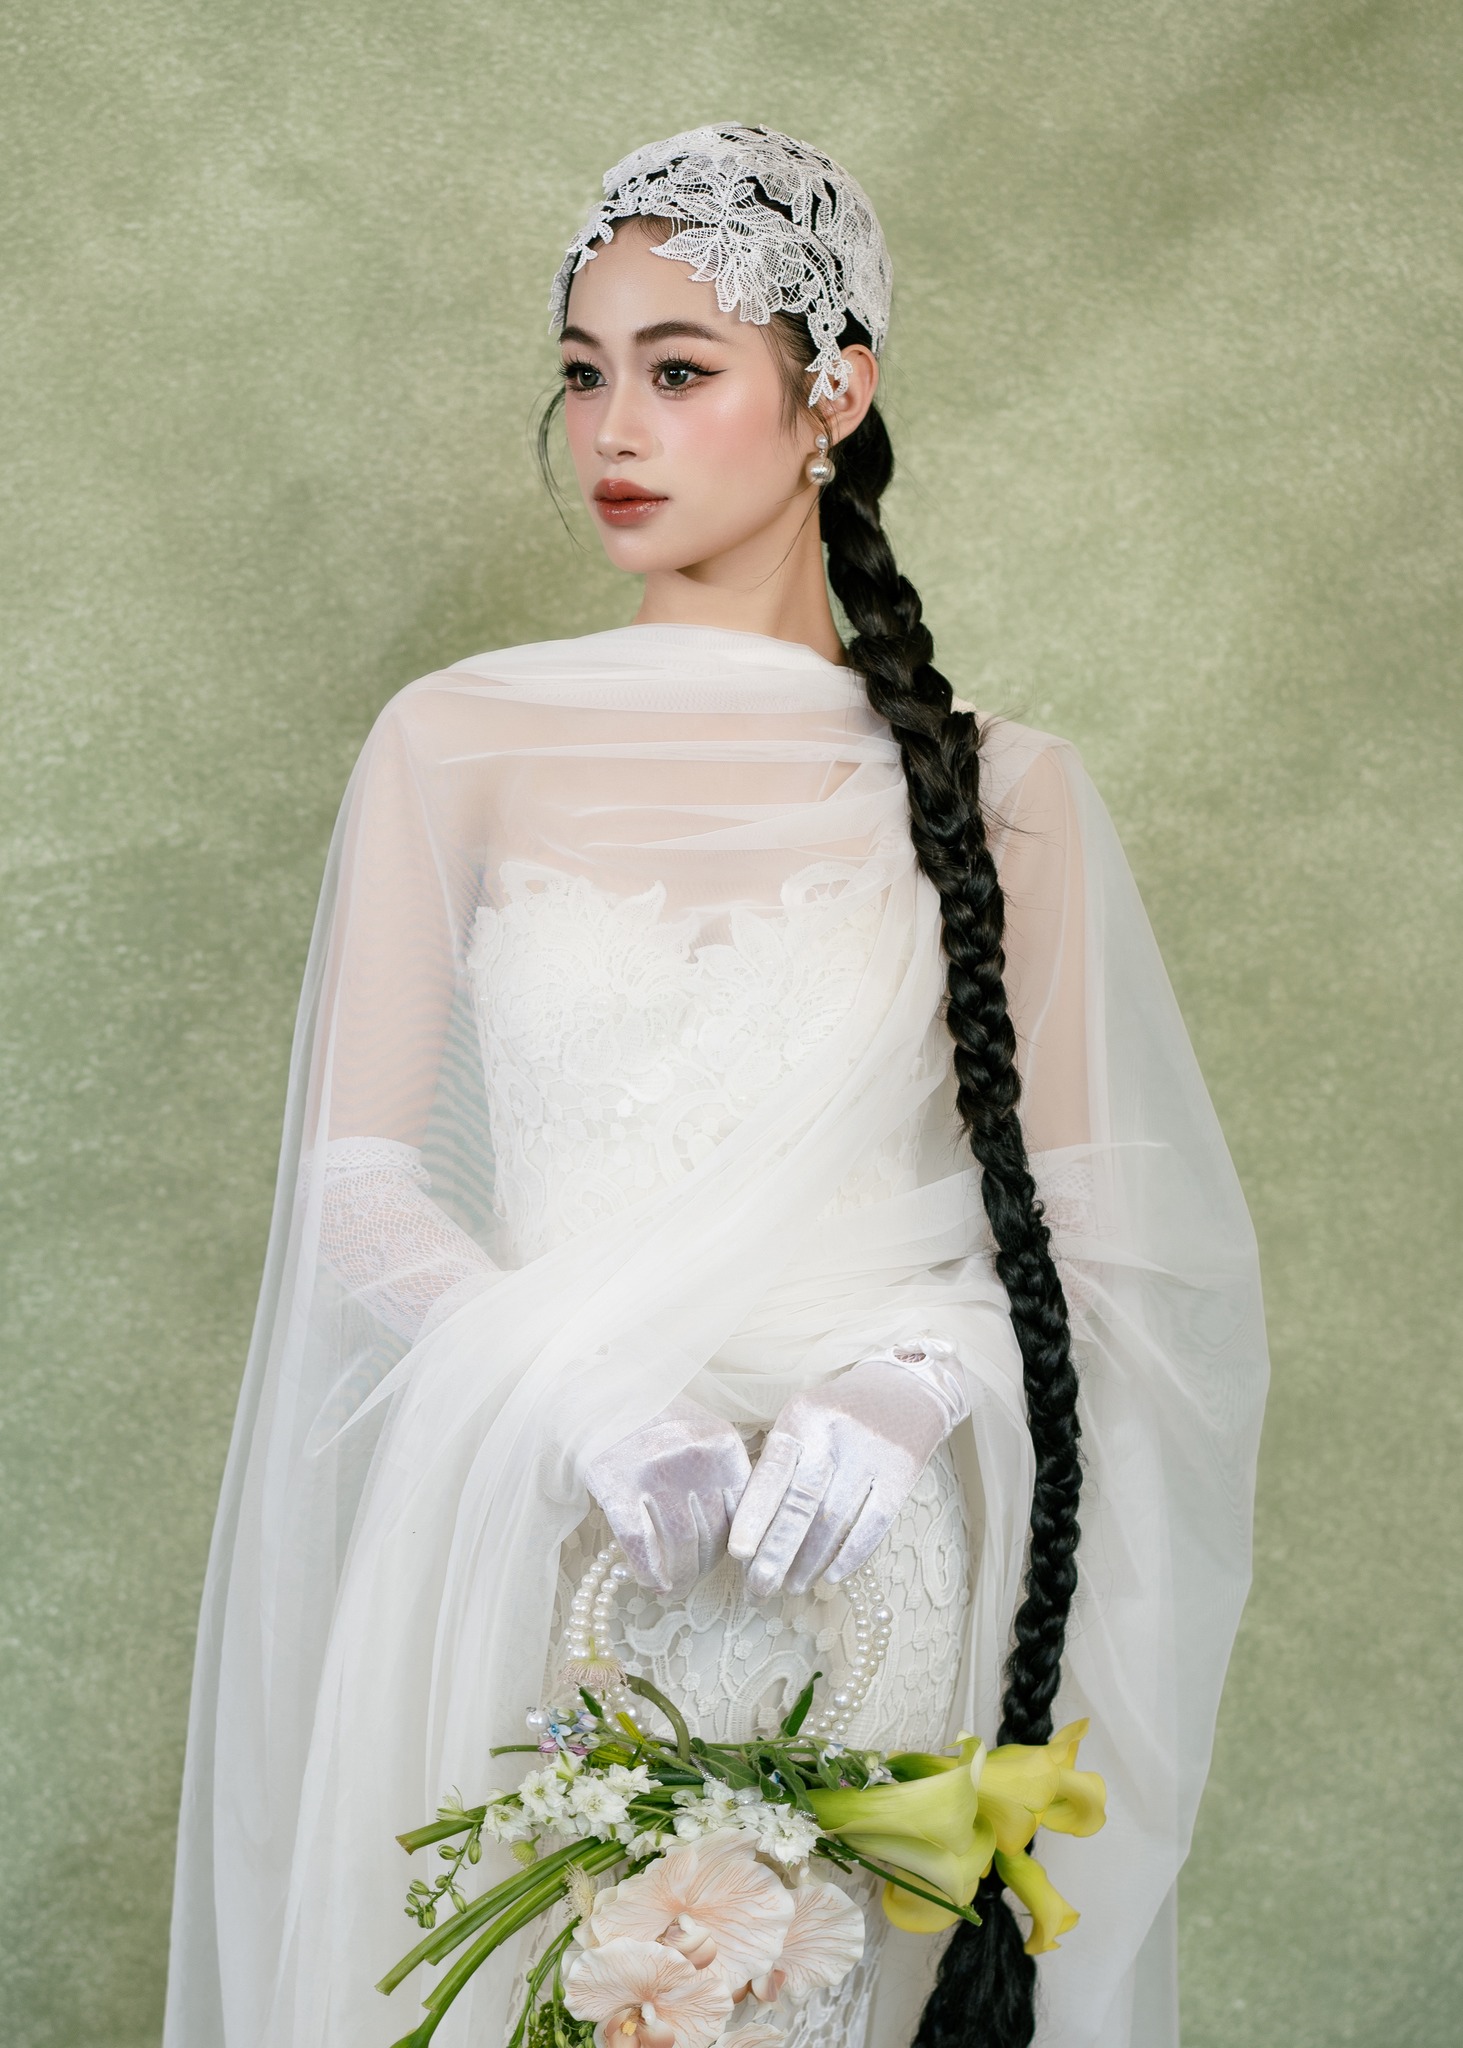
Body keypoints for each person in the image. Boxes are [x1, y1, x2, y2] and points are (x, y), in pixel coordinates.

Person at [163, 126, 1268, 2048]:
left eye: (680, 371)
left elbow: (1102, 1232)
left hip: (863, 1561)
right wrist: (573, 1384)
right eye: (586, 372)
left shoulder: (1004, 789)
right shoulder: (458, 740)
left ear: (833, 392)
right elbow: (354, 1185)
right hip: (540, 1523)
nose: (614, 428)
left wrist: (915, 1379)